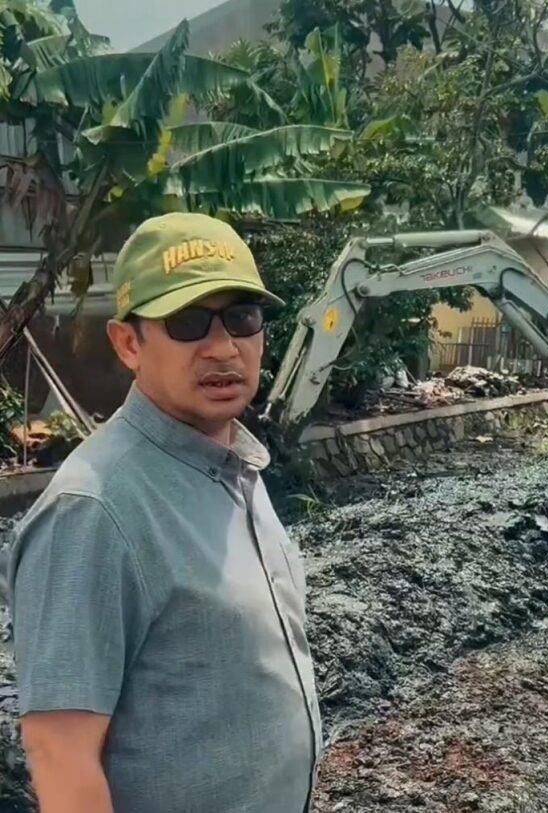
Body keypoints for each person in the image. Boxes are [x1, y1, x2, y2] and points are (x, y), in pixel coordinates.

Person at [7, 213, 322, 813]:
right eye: (187, 323)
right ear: (129, 343)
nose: (224, 347)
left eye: (242, 317)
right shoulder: (95, 510)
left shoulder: (236, 469)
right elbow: (59, 754)